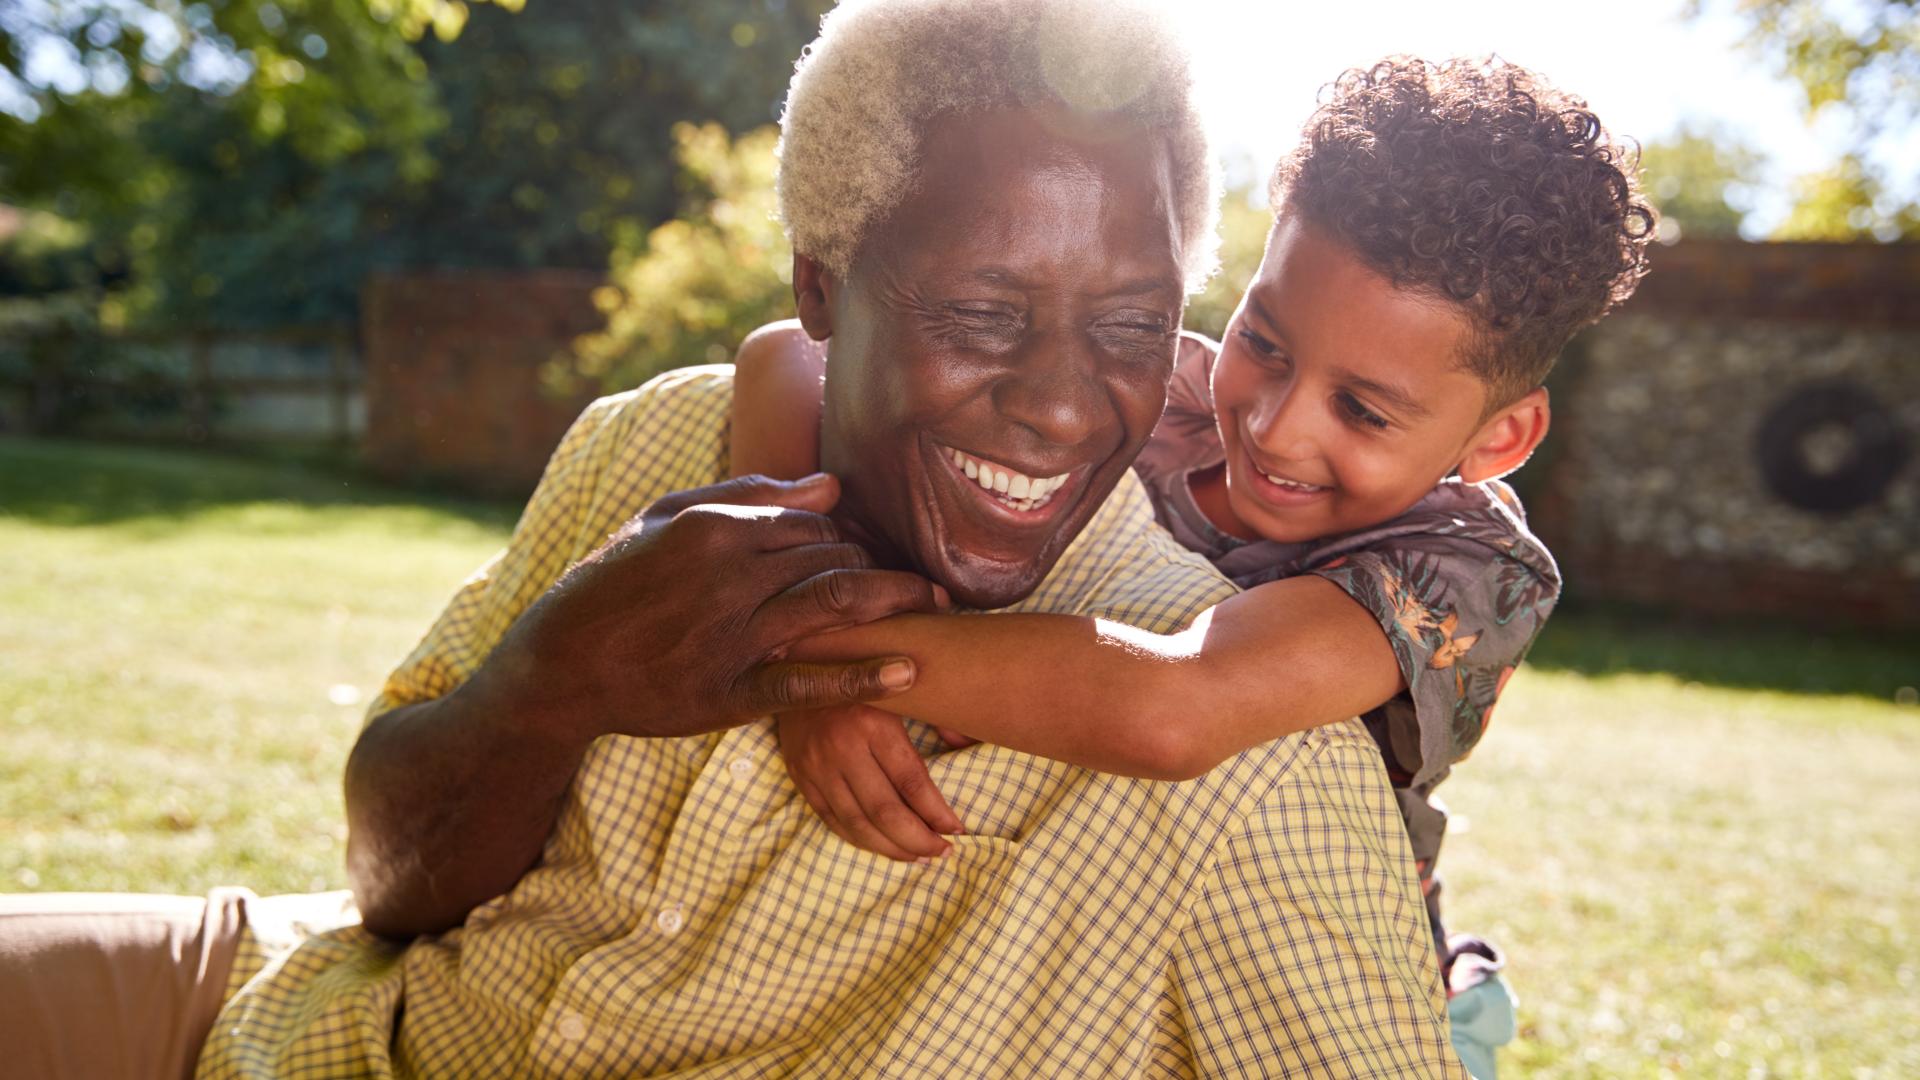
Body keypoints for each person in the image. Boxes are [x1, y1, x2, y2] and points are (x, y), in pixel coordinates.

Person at [0, 1, 1466, 1077]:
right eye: (980, 315)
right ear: (826, 292)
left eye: (1136, 328)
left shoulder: (1251, 775)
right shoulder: (655, 445)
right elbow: (390, 883)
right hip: (295, 1019)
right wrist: (549, 681)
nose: (1062, 407)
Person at [727, 56, 1657, 1077]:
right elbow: (784, 354)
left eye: (1363, 410)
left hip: (1312, 983)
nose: (1276, 422)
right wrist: (801, 593)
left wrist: (819, 656)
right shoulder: (1157, 393)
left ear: (1502, 437)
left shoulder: (1468, 573)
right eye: (1265, 340)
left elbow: (1175, 707)